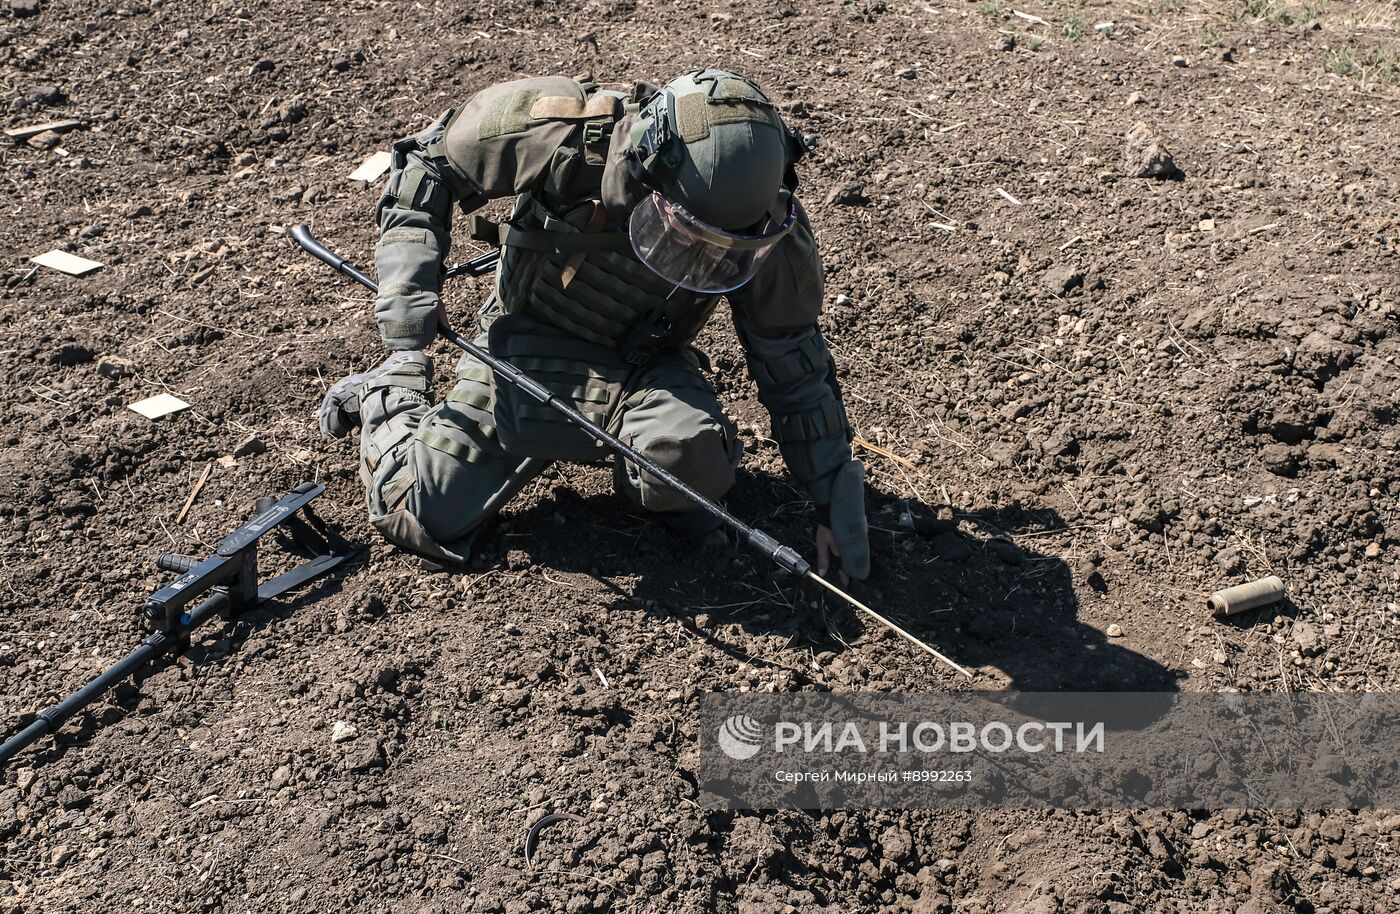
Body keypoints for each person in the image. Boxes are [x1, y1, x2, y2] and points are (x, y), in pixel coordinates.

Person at [318, 68, 870, 581]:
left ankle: (644, 478)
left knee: (688, 459)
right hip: (522, 348)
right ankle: (385, 393)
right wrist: (410, 291)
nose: (701, 254)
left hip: (641, 366)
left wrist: (833, 499)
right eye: (687, 232)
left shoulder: (766, 227)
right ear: (649, 165)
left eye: (721, 246)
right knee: (423, 510)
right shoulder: (561, 131)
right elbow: (427, 164)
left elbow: (792, 359)